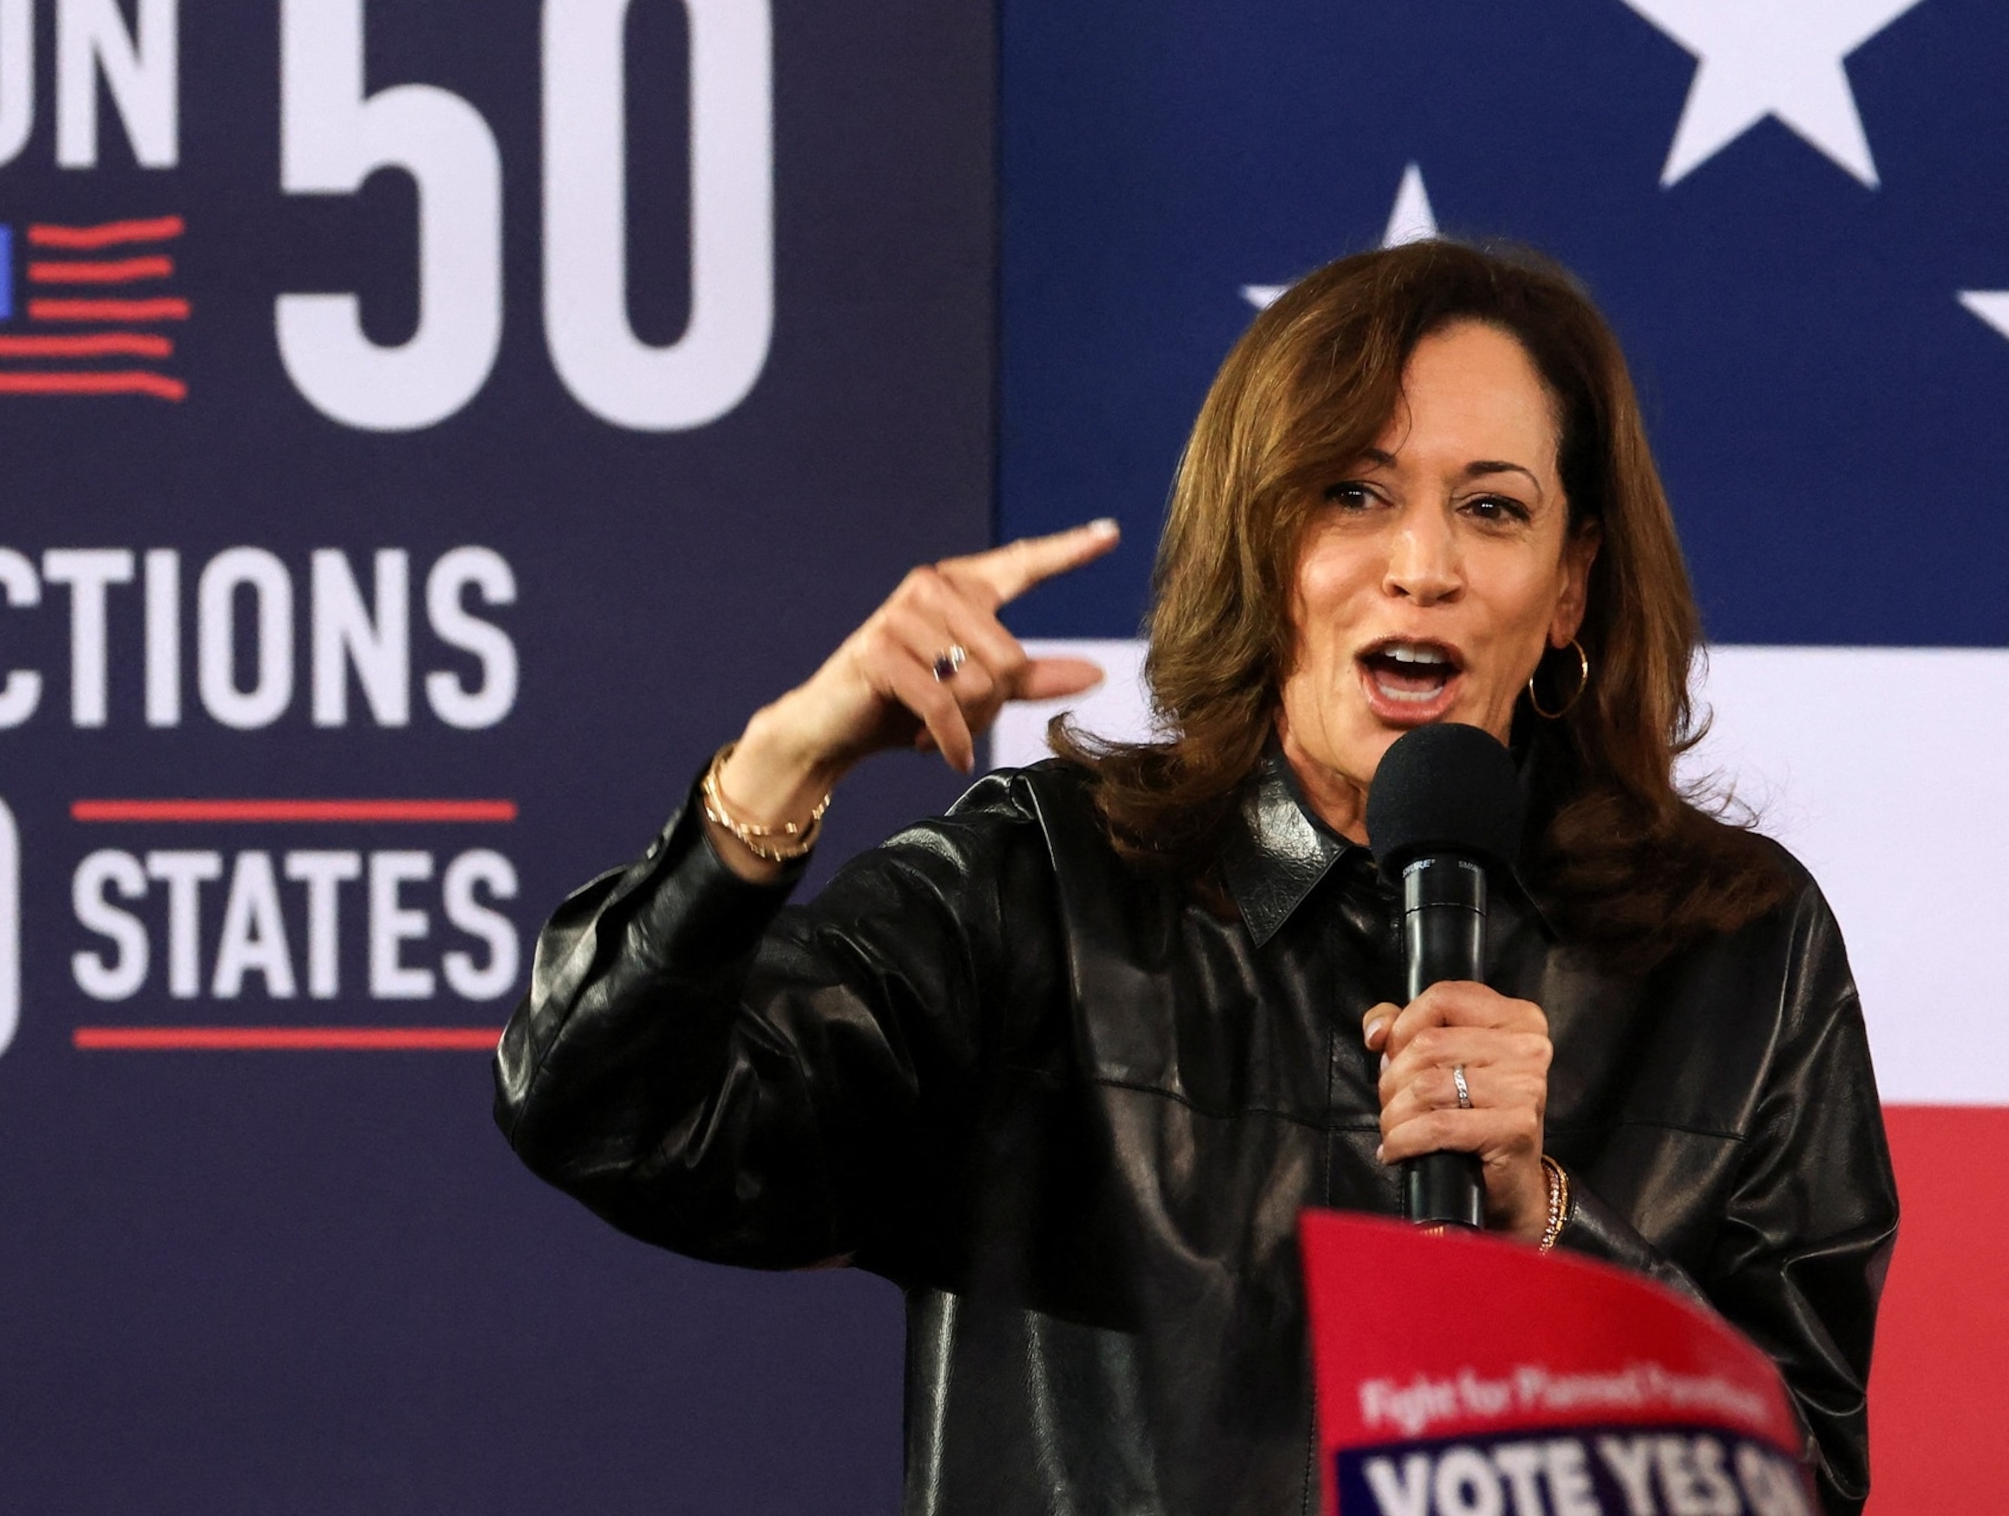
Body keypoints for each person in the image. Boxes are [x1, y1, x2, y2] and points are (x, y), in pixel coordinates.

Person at [494, 239, 1895, 1515]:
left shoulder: (1741, 957)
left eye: (1492, 507)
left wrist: (1548, 1227)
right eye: (1354, 493)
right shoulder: (1040, 887)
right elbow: (605, 1114)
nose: (1423, 566)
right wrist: (784, 764)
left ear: (1570, 585)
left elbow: (1805, 1488)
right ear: (1262, 544)